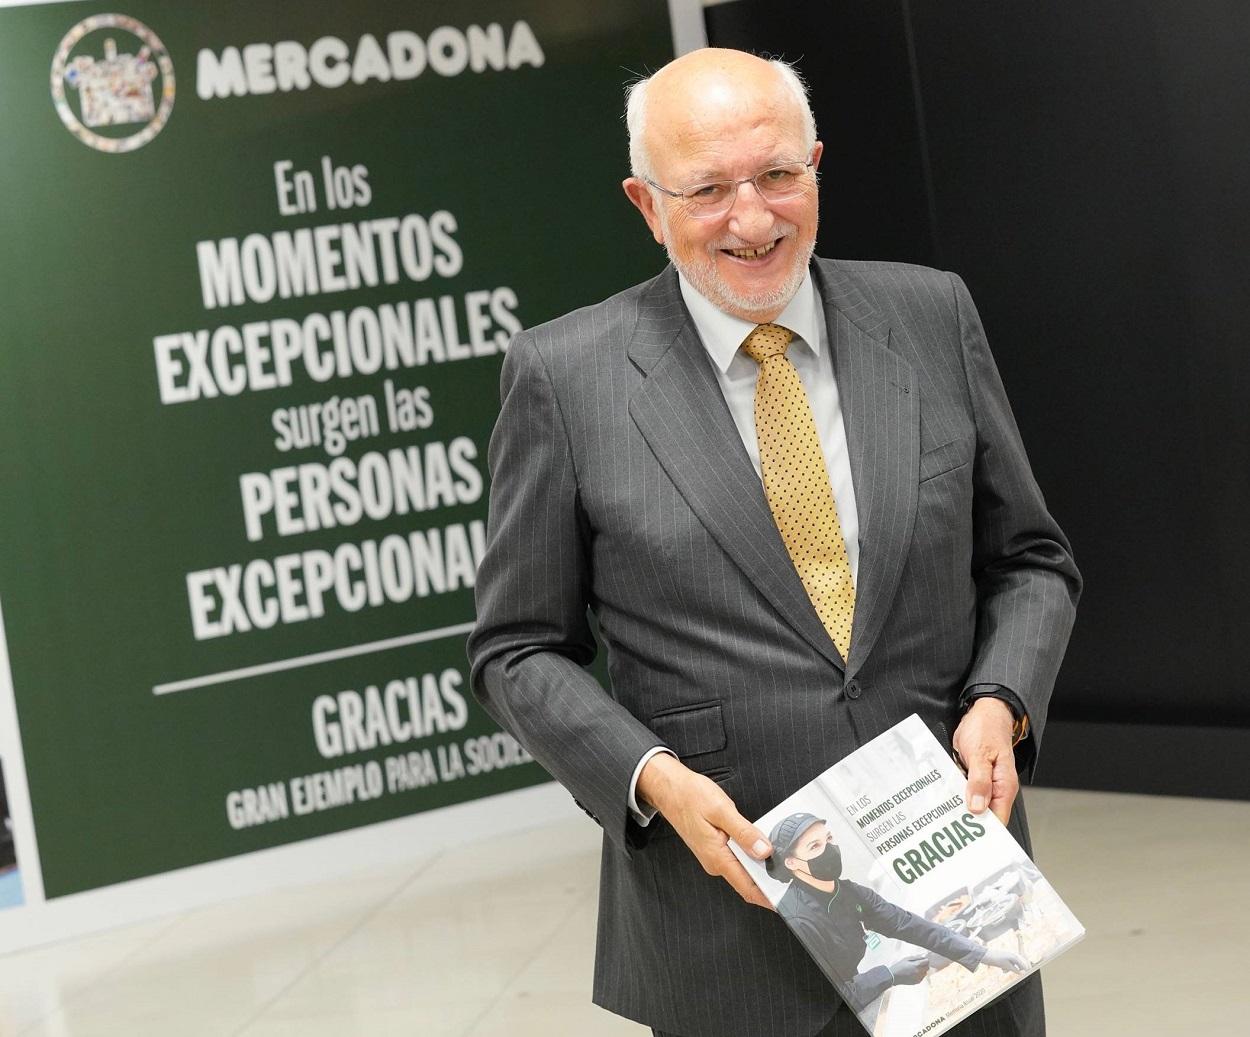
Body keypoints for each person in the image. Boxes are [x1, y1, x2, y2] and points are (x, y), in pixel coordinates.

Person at [467, 47, 1079, 1037]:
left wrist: (998, 698)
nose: (751, 220)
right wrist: (650, 777)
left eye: (777, 175)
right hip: (728, 921)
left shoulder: (930, 316)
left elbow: (1026, 560)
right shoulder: (563, 378)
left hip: (949, 894)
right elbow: (514, 649)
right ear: (644, 203)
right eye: (705, 189)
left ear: (815, 164)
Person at [766, 812, 1030, 1016]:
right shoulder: (797, 919)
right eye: (815, 846)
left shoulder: (849, 892)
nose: (829, 849)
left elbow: (907, 924)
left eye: (829, 839)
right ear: (791, 863)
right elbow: (826, 995)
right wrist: (889, 975)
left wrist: (983, 954)